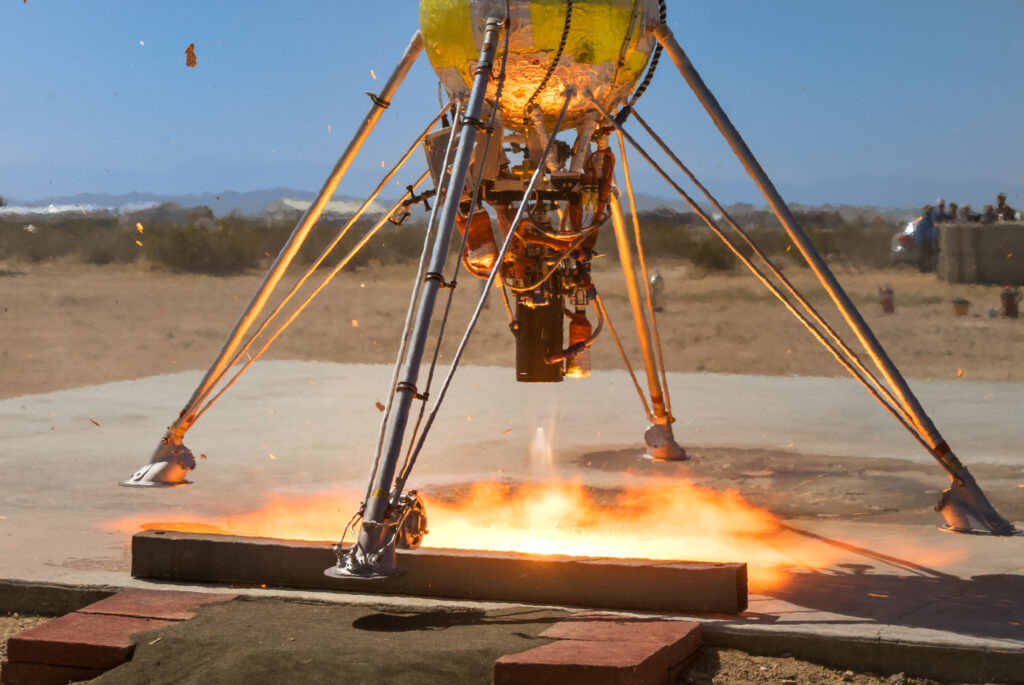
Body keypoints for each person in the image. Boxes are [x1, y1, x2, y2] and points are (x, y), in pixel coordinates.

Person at [914, 205, 938, 272]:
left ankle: (927, 268)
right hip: (923, 239)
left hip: (928, 239)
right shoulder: (922, 218)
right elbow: (920, 229)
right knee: (923, 254)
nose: (930, 211)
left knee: (928, 254)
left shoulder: (930, 218)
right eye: (929, 210)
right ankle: (922, 268)